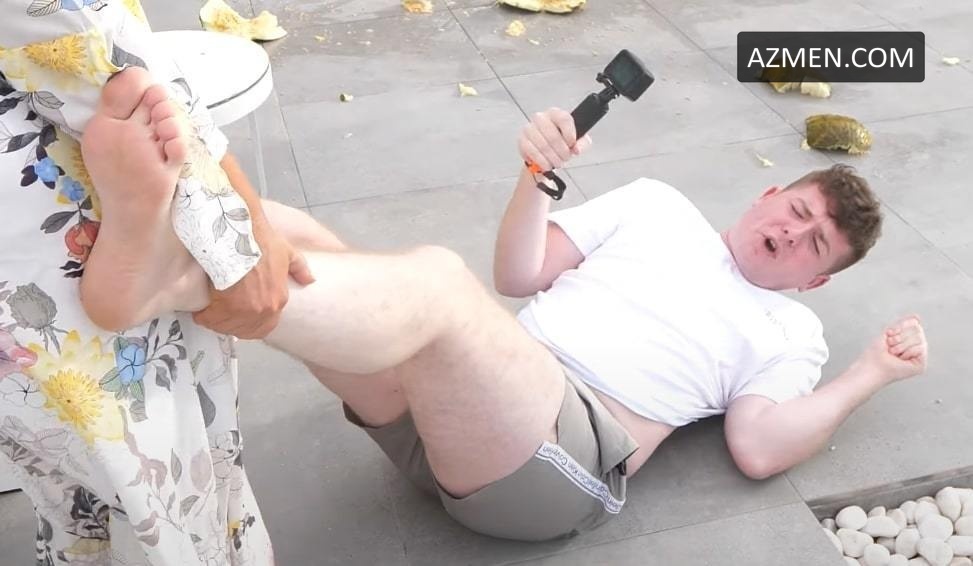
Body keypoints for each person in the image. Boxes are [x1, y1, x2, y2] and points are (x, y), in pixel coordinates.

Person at [78, 69, 929, 543]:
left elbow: (757, 447)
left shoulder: (789, 329)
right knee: (294, 232)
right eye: (797, 210)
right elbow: (520, 274)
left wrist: (869, 373)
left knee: (439, 287)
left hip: (559, 467)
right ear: (769, 193)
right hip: (453, 415)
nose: (793, 232)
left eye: (815, 244)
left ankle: (176, 276)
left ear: (816, 282)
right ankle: (166, 254)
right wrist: (536, 181)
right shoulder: (657, 205)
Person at [0, 1, 308, 563]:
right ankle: (164, 259)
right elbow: (75, 30)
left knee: (67, 491)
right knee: (166, 491)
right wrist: (234, 236)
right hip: (45, 226)